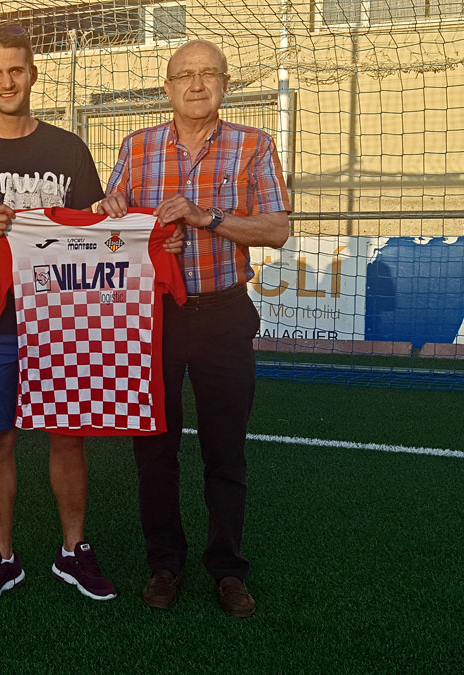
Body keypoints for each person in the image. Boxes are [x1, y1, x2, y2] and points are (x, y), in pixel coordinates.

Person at [0, 24, 182, 607]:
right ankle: (2, 556)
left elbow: (97, 232)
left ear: (33, 73)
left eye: (16, 70)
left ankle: (73, 549)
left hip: (65, 318)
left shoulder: (68, 149)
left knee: (68, 436)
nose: (6, 82)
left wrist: (123, 218)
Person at [98, 39, 291, 618]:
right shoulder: (136, 147)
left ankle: (227, 569)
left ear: (226, 84)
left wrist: (207, 218)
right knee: (153, 450)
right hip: (154, 317)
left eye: (208, 74)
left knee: (224, 451)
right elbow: (110, 226)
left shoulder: (254, 145)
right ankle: (165, 564)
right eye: (185, 75)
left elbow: (276, 229)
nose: (197, 84)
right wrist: (124, 220)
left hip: (224, 315)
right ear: (167, 87)